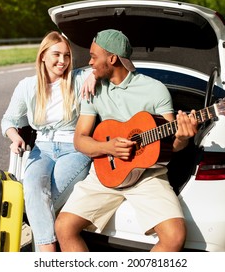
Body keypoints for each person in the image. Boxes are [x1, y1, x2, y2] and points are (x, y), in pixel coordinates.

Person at [55, 29, 199, 252]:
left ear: (112, 59)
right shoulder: (94, 90)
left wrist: (182, 138)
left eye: (94, 56)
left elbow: (174, 145)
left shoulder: (154, 90)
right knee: (64, 227)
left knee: (175, 235)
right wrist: (107, 147)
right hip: (105, 174)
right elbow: (80, 140)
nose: (89, 62)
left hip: (147, 175)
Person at [1, 31, 93, 252]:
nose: (62, 61)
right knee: (32, 188)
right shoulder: (27, 86)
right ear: (42, 55)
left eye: (67, 56)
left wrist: (94, 75)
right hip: (41, 148)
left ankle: (44, 255)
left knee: (43, 199)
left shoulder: (79, 78)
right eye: (56, 54)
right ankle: (49, 252)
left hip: (74, 148)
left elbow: (106, 66)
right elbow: (8, 120)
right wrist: (15, 139)